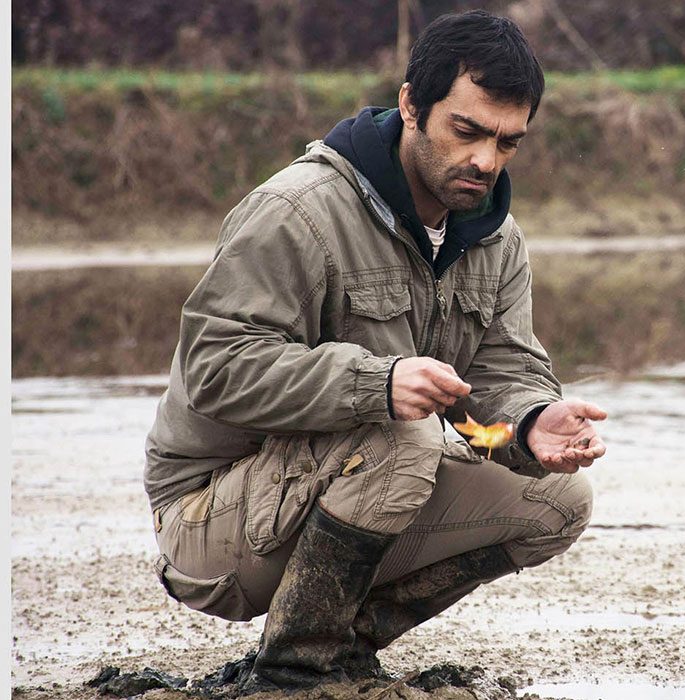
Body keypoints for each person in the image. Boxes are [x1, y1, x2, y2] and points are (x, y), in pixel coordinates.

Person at [143, 10, 606, 692]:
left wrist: (531, 422)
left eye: (509, 143)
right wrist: (376, 383)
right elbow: (215, 368)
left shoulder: (495, 238)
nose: (485, 160)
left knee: (562, 497)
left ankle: (345, 647)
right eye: (467, 131)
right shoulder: (297, 211)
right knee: (406, 437)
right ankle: (294, 672)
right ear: (411, 105)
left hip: (350, 484)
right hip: (209, 516)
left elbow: (500, 370)